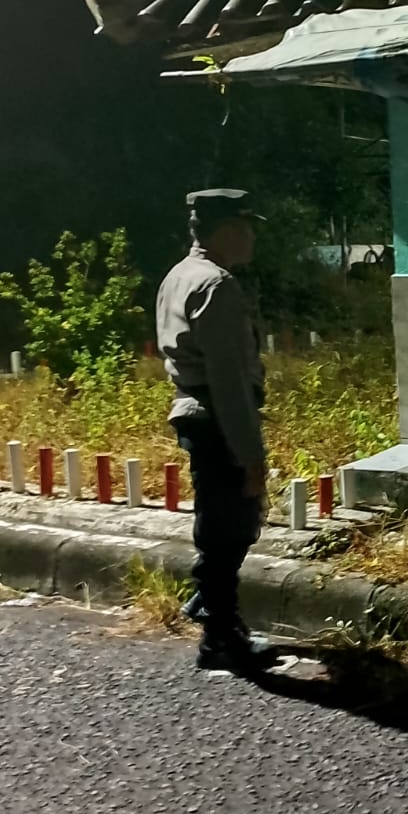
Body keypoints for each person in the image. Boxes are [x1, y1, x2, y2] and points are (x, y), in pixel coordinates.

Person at [157, 188, 278, 674]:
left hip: (195, 413)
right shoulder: (216, 285)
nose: (252, 238)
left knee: (220, 522)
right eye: (246, 228)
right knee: (229, 529)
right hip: (218, 417)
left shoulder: (179, 275)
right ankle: (219, 637)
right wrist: (251, 456)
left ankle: (215, 613)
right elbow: (228, 381)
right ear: (226, 230)